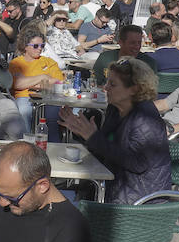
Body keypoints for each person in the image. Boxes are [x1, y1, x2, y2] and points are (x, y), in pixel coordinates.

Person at [61, 58, 171, 205]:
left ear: (135, 89)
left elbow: (137, 163)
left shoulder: (145, 119)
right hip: (114, 186)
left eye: (112, 84)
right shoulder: (116, 108)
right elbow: (105, 148)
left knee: (63, 209)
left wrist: (93, 137)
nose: (106, 88)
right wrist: (84, 133)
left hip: (140, 200)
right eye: (107, 82)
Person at [8, 25, 63, 129]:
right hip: (24, 97)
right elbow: (18, 84)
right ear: (25, 46)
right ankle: (25, 142)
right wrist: (43, 77)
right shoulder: (16, 63)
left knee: (54, 113)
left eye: (42, 46)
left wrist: (29, 82)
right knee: (24, 111)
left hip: (48, 97)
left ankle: (52, 143)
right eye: (36, 46)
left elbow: (58, 82)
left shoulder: (49, 62)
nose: (40, 49)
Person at [90, 24, 159, 85]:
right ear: (121, 42)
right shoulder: (105, 58)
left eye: (139, 42)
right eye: (132, 43)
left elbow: (149, 90)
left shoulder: (148, 63)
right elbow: (94, 82)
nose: (137, 46)